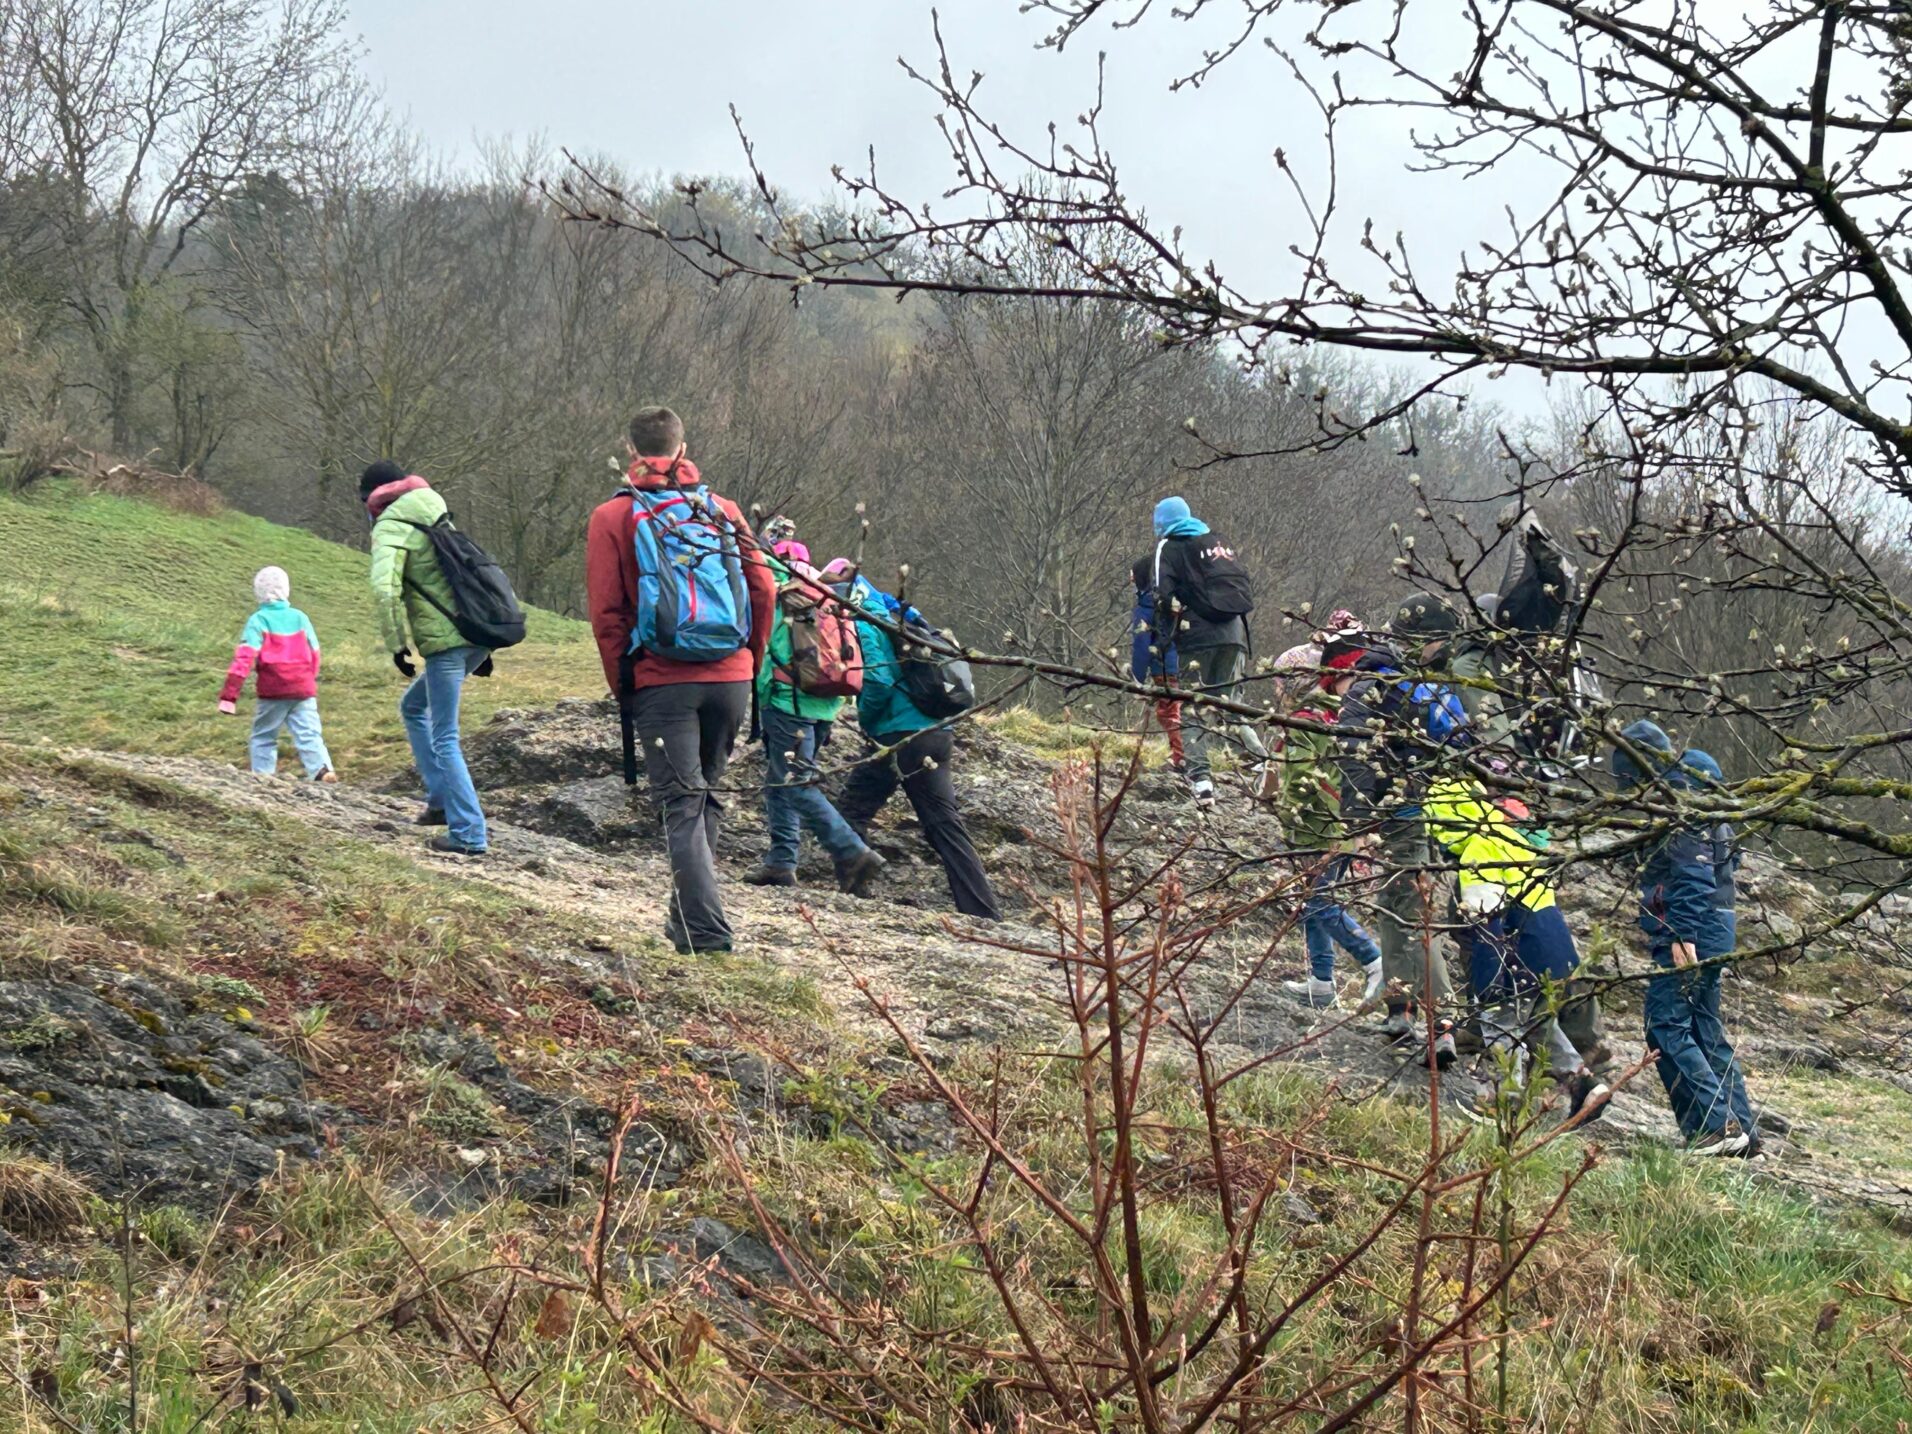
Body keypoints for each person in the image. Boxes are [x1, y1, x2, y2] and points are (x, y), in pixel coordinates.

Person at [586, 407, 778, 955]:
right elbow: (763, 588)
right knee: (704, 796)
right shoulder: (722, 510)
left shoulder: (612, 516)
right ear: (683, 447)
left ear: (630, 450)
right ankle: (686, 920)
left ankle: (706, 932)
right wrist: (749, 659)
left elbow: (607, 615)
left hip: (662, 680)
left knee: (682, 804)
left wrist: (625, 685)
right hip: (731, 677)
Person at [1327, 594, 1473, 1068]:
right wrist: (1360, 818)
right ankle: (1412, 1009)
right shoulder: (1389, 681)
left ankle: (1430, 1017)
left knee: (1407, 911)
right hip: (1408, 813)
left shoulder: (1411, 679)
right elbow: (1354, 746)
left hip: (1424, 816)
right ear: (1423, 640)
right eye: (1440, 641)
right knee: (1403, 908)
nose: (1445, 650)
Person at [1423, 775, 1610, 1122]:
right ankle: (1586, 1086)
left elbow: (1488, 924)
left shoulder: (1479, 852)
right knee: (1538, 1024)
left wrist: (1489, 986)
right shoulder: (1511, 838)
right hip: (1552, 949)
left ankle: (1503, 1102)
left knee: (1501, 1022)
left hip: (1517, 954)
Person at [1611, 721, 1759, 1157]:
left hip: (1692, 925)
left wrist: (1681, 932)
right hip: (1717, 922)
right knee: (1704, 1028)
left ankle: (1715, 1127)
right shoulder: (1703, 791)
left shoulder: (1679, 801)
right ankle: (1742, 1132)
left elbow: (1693, 873)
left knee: (1665, 1023)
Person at [823, 560, 1002, 920]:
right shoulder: (899, 615)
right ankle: (982, 911)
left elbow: (879, 682)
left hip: (897, 735)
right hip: (936, 732)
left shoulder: (866, 621)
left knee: (852, 810)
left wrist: (866, 721)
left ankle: (855, 895)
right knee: (943, 825)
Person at [745, 536, 887, 893]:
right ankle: (781, 862)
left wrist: (762, 696)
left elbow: (767, 652)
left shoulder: (778, 590)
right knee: (779, 780)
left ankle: (852, 852)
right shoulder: (824, 592)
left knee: (795, 783)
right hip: (824, 703)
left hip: (788, 702)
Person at [363, 460, 491, 856]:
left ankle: (469, 833)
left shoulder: (390, 527)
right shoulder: (435, 509)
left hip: (446, 644)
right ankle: (440, 801)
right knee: (413, 706)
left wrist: (397, 644)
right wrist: (481, 643)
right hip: (475, 634)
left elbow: (384, 590)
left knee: (444, 736)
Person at [1270, 639, 1384, 1010]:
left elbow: (1301, 776)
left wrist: (1287, 808)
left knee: (1320, 903)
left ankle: (1373, 961)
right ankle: (1321, 981)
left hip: (1317, 828)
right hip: (1342, 826)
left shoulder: (1306, 721)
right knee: (1312, 902)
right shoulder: (1349, 716)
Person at [1148, 496, 1265, 807]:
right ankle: (1261, 763)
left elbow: (1161, 594)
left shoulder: (1168, 546)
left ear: (1162, 522)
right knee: (1228, 705)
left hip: (1197, 636)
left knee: (1193, 708)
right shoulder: (1213, 543)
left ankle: (1201, 782)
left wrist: (1162, 638)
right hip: (1234, 634)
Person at [218, 565, 335, 783]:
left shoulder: (258, 620)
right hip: (303, 686)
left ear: (258, 592)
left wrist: (229, 696)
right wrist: (308, 678)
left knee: (263, 735)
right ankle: (321, 769)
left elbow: (244, 658)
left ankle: (264, 777)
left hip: (273, 689)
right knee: (309, 733)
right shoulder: (300, 617)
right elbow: (315, 652)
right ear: (286, 589)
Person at [1129, 554, 1184, 772]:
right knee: (1178, 710)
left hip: (1164, 668)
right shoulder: (1174, 603)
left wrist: (1137, 678)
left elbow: (1141, 645)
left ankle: (1181, 758)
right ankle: (1183, 755)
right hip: (1183, 665)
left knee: (1168, 713)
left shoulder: (1145, 608)